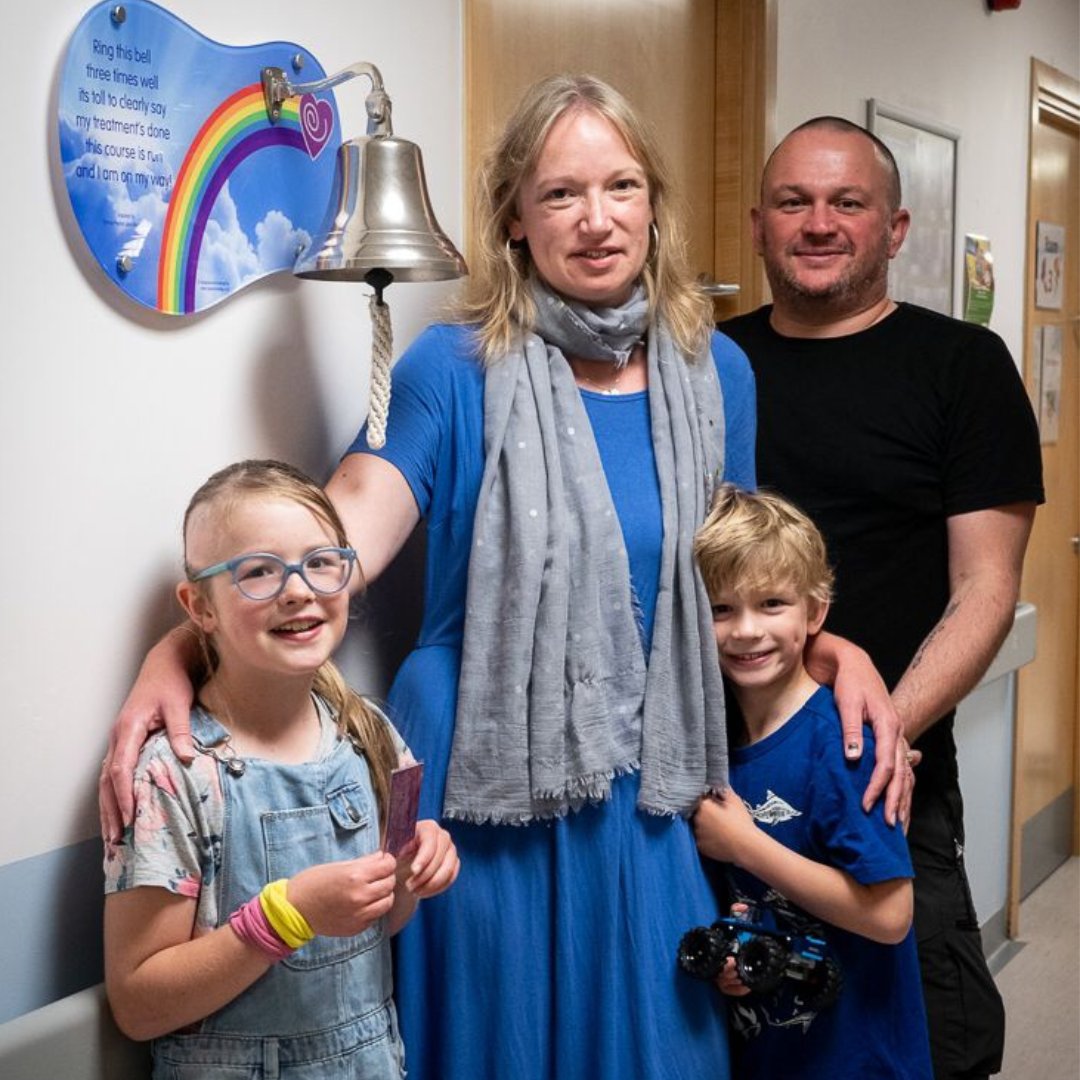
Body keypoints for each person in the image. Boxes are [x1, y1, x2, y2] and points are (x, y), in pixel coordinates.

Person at [101, 80, 910, 1080]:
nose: (597, 217)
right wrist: (179, 649)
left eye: (620, 185)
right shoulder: (452, 366)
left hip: (648, 779)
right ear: (516, 220)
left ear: (654, 201)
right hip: (478, 783)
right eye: (561, 192)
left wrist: (837, 650)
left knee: (664, 1046)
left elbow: (742, 576)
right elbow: (328, 547)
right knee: (500, 1046)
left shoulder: (716, 375)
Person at [720, 117, 1044, 1080]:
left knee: (931, 1041)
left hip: (888, 777)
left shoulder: (962, 368)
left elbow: (985, 586)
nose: (819, 224)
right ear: (757, 225)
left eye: (847, 203)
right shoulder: (713, 368)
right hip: (724, 780)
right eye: (794, 202)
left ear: (895, 228)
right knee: (755, 1028)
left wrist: (874, 741)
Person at [103, 460, 460, 1078]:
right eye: (259, 572)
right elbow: (138, 1004)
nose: (298, 589)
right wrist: (283, 917)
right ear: (200, 606)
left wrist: (411, 870)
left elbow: (388, 920)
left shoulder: (375, 738)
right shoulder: (174, 776)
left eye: (321, 561)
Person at [691, 484, 933, 1080]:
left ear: (815, 612)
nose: (746, 631)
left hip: (860, 1059)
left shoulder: (843, 745)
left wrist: (744, 845)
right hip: (779, 1053)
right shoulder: (718, 743)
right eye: (721, 609)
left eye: (772, 604)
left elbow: (890, 914)